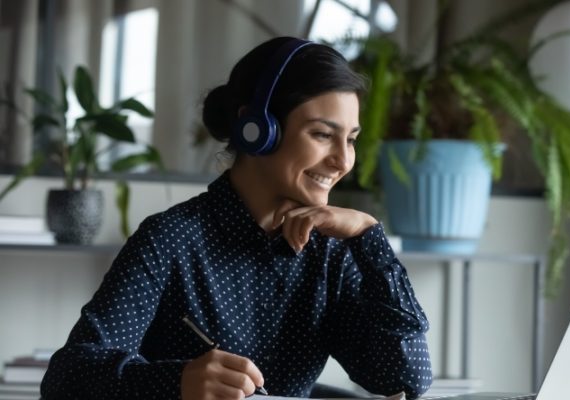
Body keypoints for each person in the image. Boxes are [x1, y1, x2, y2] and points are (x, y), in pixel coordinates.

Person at [41, 36, 433, 400]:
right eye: (322, 134)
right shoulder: (170, 238)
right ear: (258, 129)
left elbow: (407, 377)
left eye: (350, 139)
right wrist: (178, 382)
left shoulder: (330, 253)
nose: (343, 160)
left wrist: (369, 236)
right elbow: (66, 378)